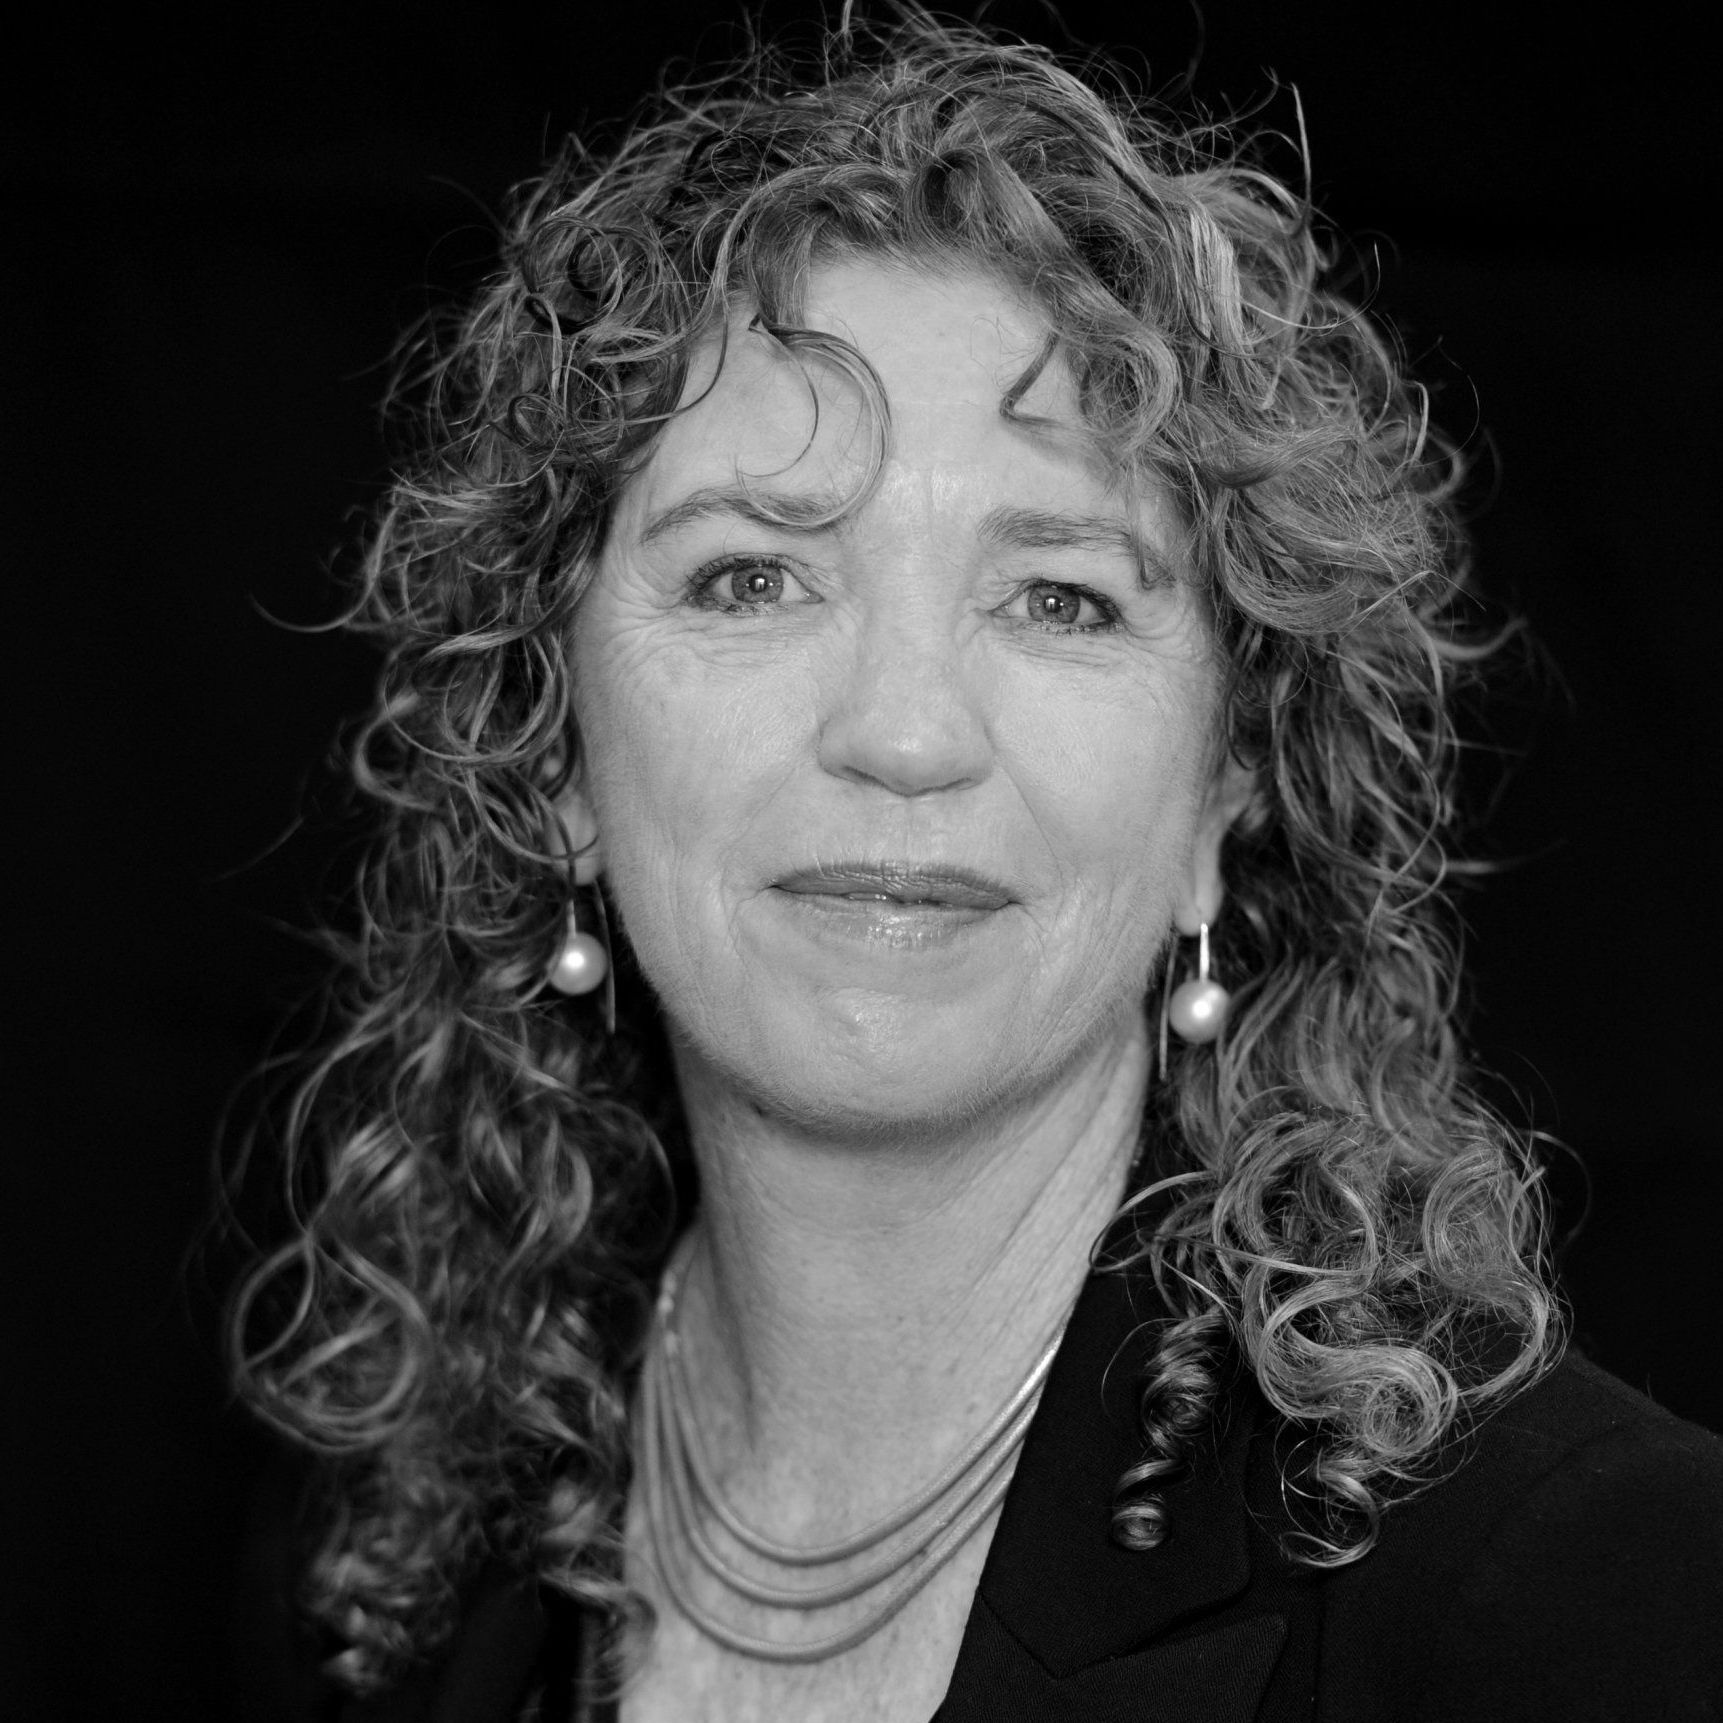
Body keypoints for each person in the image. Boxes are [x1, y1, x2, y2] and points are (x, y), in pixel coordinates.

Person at [230, 9, 1723, 1720]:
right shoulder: (388, 1568)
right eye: (753, 579)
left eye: (1060, 597)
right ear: (551, 750)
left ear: (1225, 789)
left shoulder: (1589, 1605)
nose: (908, 731)